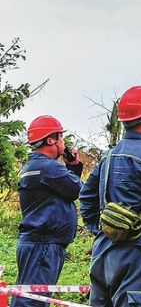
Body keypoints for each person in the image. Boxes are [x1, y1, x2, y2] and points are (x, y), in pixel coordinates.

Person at [80, 85, 141, 307]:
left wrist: (103, 230)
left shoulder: (109, 156)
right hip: (138, 253)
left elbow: (86, 196)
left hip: (103, 252)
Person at [13, 116, 84, 307]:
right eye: (61, 137)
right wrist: (74, 167)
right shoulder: (48, 167)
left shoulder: (32, 166)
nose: (63, 143)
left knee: (29, 298)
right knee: (32, 302)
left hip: (36, 243)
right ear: (51, 139)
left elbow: (67, 191)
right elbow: (79, 190)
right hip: (43, 246)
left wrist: (71, 169)